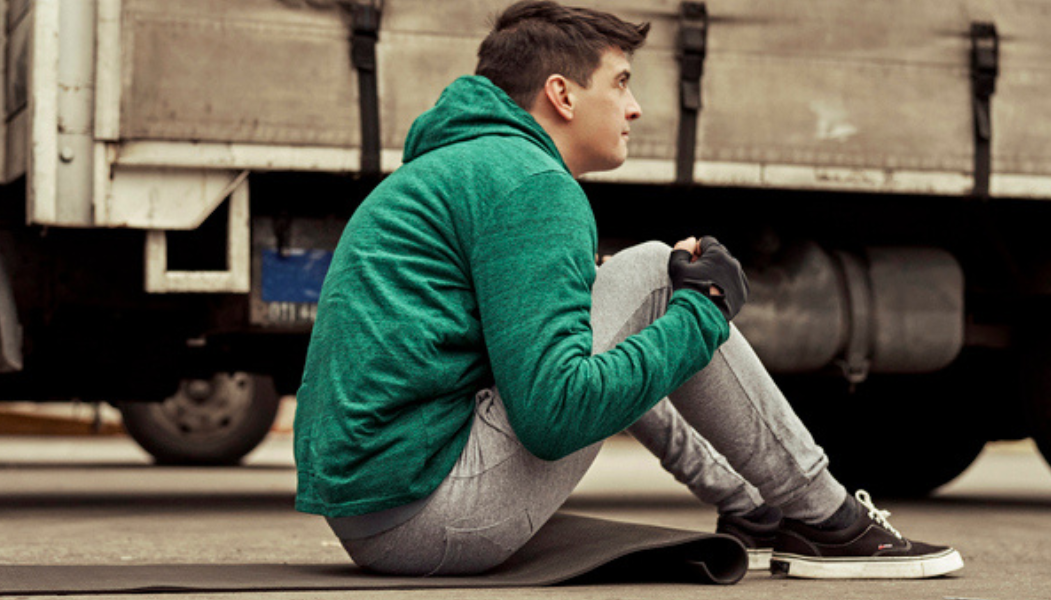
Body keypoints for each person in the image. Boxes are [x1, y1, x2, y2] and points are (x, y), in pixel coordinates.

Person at [293, 0, 962, 579]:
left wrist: (636, 306)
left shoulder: (462, 169)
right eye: (620, 83)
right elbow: (555, 416)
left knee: (637, 289)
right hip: (434, 518)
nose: (634, 107)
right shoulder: (531, 183)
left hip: (378, 517)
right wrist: (701, 314)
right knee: (655, 273)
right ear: (562, 95)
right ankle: (826, 518)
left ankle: (753, 509)